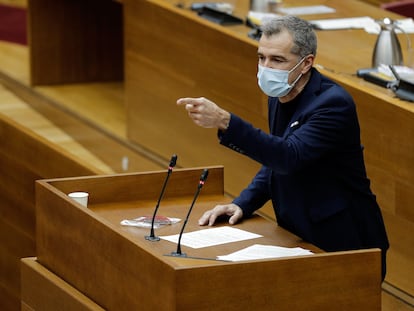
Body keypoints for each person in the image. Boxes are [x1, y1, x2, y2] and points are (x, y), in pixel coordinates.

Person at [176, 15, 389, 280]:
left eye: (277, 60)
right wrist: (243, 203)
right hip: (297, 231)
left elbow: (289, 157)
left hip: (344, 240)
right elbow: (275, 159)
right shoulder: (281, 94)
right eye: (261, 57)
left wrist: (225, 121)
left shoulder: (333, 104)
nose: (266, 67)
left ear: (306, 63)